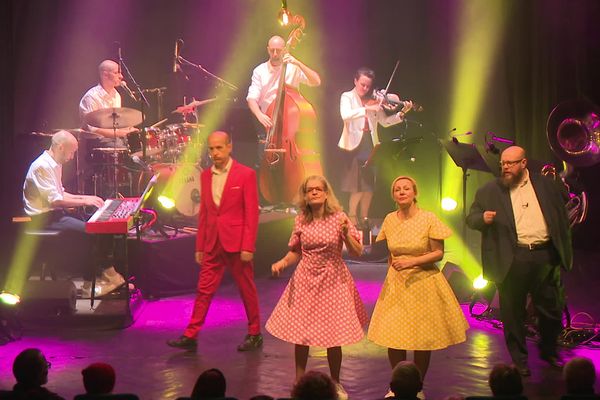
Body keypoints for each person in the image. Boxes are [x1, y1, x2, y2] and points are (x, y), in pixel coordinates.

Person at [466, 145, 572, 377]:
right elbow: (471, 218)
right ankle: (520, 360)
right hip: (512, 258)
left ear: (524, 163)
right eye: (503, 163)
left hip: (544, 255)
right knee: (513, 313)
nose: (505, 167)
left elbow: (562, 209)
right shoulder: (489, 191)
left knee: (551, 308)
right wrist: (482, 219)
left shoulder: (546, 184)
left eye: (510, 163)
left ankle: (549, 351)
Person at [266, 175, 367, 400]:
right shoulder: (301, 220)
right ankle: (299, 383)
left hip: (333, 279)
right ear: (304, 195)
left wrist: (345, 236)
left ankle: (336, 383)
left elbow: (357, 251)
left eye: (318, 189)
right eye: (309, 190)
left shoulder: (339, 218)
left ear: (326, 193)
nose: (313, 193)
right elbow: (295, 251)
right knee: (300, 333)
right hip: (306, 278)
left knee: (334, 335)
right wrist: (282, 263)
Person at [367, 176, 468, 399]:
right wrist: (390, 275)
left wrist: (411, 262)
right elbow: (391, 255)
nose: (401, 192)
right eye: (397, 189)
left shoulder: (428, 218)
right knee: (394, 335)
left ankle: (416, 386)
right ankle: (397, 385)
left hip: (423, 282)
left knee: (422, 337)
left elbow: (438, 253)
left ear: (415, 193)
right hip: (397, 283)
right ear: (393, 195)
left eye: (406, 188)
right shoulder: (390, 220)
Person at [167, 131, 262, 352]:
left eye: (219, 148)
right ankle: (191, 334)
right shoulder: (205, 176)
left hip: (237, 243)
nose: (215, 153)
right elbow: (205, 214)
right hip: (213, 242)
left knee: (246, 289)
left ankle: (255, 333)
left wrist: (248, 245)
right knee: (204, 290)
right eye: (211, 149)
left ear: (230, 147)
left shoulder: (245, 174)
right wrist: (200, 245)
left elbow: (252, 214)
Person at [22, 130, 126, 297]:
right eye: (71, 152)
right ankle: (97, 280)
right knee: (91, 231)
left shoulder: (54, 163)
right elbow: (55, 200)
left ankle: (105, 276)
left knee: (98, 224)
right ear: (61, 147)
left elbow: (60, 193)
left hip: (55, 214)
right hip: (43, 219)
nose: (72, 157)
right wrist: (84, 201)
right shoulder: (42, 166)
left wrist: (87, 197)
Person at [337, 67, 413, 227]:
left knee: (369, 184)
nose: (365, 88)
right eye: (362, 84)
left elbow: (385, 122)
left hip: (370, 144)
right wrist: (366, 108)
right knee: (357, 185)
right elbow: (346, 115)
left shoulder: (375, 100)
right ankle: (352, 216)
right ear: (355, 81)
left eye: (367, 86)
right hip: (354, 145)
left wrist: (401, 114)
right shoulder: (347, 97)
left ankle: (365, 217)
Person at [247, 35, 321, 131]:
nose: (275, 54)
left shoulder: (293, 67)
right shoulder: (259, 70)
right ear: (268, 49)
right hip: (268, 122)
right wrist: (259, 114)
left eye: (278, 50)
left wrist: (298, 63)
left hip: (291, 120)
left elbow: (316, 81)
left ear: (284, 50)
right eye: (272, 50)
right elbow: (251, 98)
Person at [79, 60, 139, 147]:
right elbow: (92, 129)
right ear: (105, 75)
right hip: (95, 141)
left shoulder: (116, 95)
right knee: (121, 147)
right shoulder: (91, 97)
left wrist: (128, 129)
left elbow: (115, 123)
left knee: (137, 143)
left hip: (113, 139)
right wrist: (120, 133)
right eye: (116, 73)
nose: (121, 76)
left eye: (120, 73)